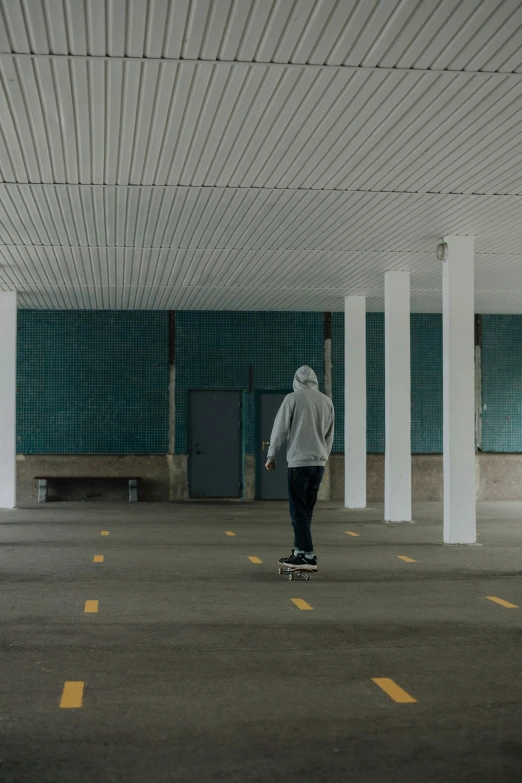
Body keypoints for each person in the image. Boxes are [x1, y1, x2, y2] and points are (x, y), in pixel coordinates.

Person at [265, 365, 334, 572]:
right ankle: (299, 552)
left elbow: (279, 429)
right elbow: (330, 434)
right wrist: (324, 457)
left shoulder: (292, 399)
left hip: (299, 464)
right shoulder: (326, 401)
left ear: (296, 380)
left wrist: (271, 455)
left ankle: (308, 556)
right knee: (306, 511)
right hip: (318, 464)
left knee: (298, 510)